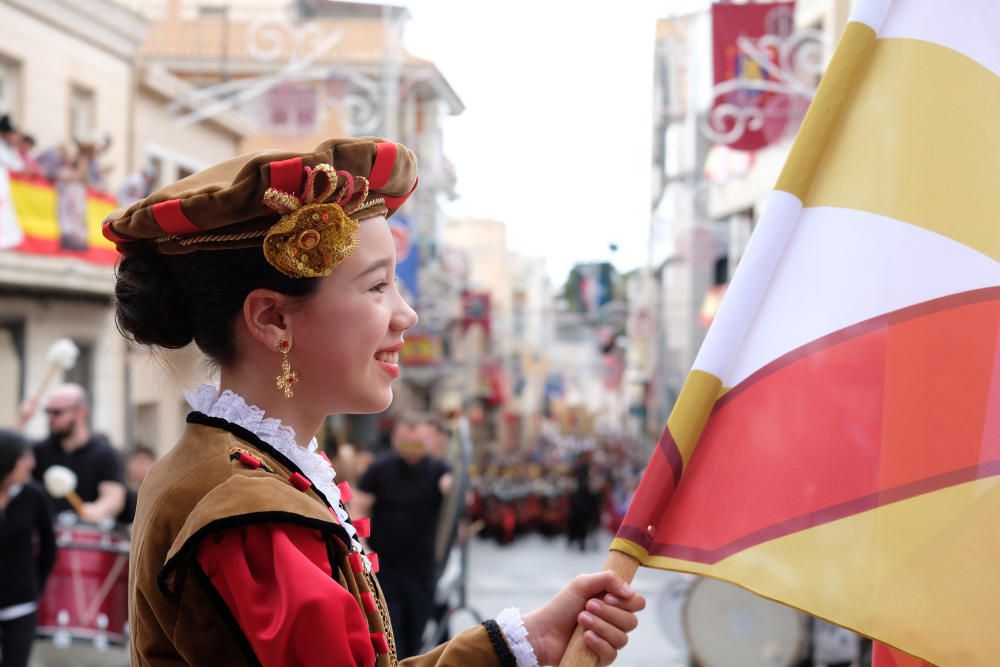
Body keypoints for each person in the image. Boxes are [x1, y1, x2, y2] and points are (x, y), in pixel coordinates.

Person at [107, 137, 645, 666]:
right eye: (376, 287)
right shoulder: (248, 509)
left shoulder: (237, 474)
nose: (406, 314)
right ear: (272, 319)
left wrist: (520, 646)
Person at [354, 412, 452, 659]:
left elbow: (452, 488)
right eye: (406, 440)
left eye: (417, 441)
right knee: (391, 637)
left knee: (416, 635)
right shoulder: (379, 469)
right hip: (385, 573)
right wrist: (362, 543)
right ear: (396, 438)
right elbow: (359, 507)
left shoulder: (438, 469)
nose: (411, 447)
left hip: (422, 572)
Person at [0, 430, 56, 667]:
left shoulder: (34, 495)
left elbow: (49, 548)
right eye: (26, 457)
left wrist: (35, 586)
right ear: (8, 459)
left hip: (21, 603)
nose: (31, 464)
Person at [32, 383, 126, 522]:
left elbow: (114, 497)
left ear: (80, 413)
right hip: (44, 534)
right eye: (48, 411)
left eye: (57, 412)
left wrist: (97, 510)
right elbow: (7, 462)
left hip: (85, 536)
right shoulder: (38, 450)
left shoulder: (105, 453)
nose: (50, 418)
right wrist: (22, 419)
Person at [117, 445, 157, 525]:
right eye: (136, 461)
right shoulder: (122, 492)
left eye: (143, 462)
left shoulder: (155, 495)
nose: (138, 467)